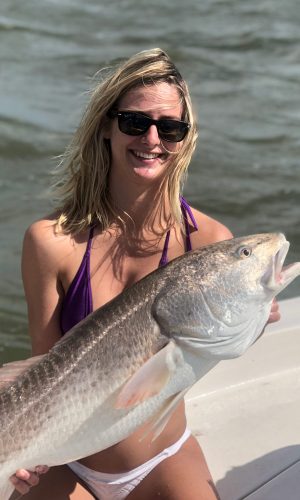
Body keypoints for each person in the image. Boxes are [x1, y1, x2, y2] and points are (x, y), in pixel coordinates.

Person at [10, 48, 280, 500]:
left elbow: (208, 342)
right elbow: (43, 373)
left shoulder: (211, 241)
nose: (153, 139)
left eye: (170, 128)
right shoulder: (49, 242)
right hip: (66, 461)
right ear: (106, 128)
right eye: (136, 122)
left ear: (184, 139)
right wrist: (21, 463)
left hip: (163, 458)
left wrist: (251, 319)